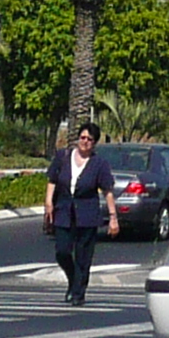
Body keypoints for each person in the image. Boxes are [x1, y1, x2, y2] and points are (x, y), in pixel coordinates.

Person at [44, 121, 117, 305]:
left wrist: (113, 217)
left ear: (94, 143)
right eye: (82, 137)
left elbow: (107, 191)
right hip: (63, 212)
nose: (85, 142)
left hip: (87, 215)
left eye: (89, 139)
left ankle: (78, 293)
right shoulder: (63, 156)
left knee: (83, 257)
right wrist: (48, 204)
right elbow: (52, 180)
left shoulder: (99, 164)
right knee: (62, 252)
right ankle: (73, 280)